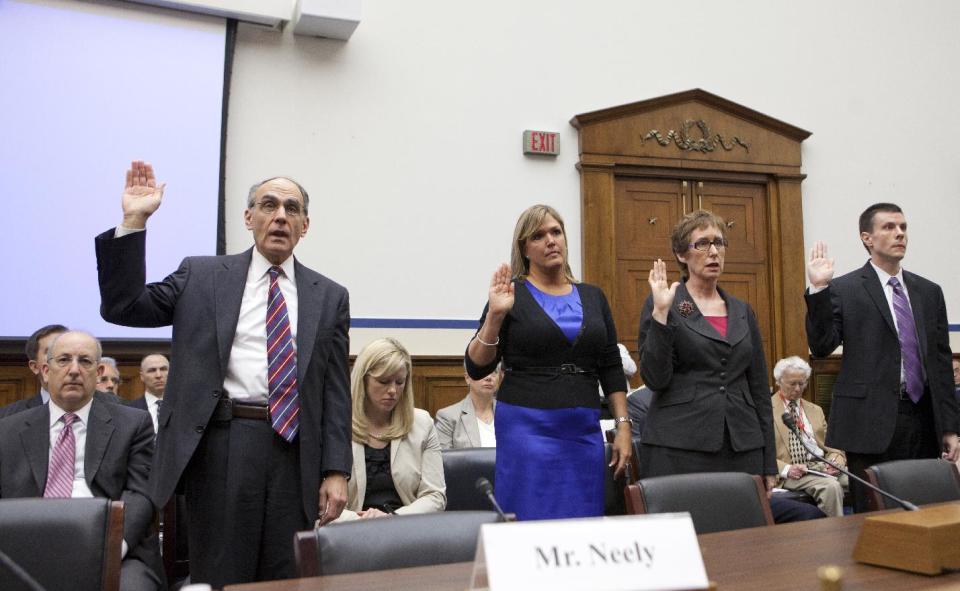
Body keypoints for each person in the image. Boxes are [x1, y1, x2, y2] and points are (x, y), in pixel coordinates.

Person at [95, 161, 352, 587]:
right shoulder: (202, 276)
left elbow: (335, 391)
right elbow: (124, 307)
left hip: (295, 452)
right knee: (222, 574)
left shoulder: (329, 295)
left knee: (286, 576)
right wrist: (134, 222)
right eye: (268, 205)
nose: (280, 216)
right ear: (249, 218)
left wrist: (336, 470)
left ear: (305, 225)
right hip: (221, 443)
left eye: (292, 208)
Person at [465, 204, 631, 521]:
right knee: (530, 517)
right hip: (527, 428)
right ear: (524, 249)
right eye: (538, 236)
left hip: (583, 428)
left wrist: (623, 426)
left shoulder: (594, 296)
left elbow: (610, 365)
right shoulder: (511, 294)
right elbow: (477, 367)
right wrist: (495, 318)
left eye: (556, 232)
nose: (550, 240)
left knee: (582, 518)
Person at [805, 202, 959, 512]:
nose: (899, 233)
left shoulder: (929, 292)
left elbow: (941, 363)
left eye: (903, 227)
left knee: (926, 511)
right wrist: (819, 289)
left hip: (923, 419)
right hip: (869, 423)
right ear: (867, 238)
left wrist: (950, 427)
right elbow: (821, 346)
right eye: (889, 227)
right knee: (875, 517)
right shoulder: (845, 289)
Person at [0, 331, 162, 590]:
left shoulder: (133, 424)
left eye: (85, 361)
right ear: (44, 370)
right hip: (27, 546)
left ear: (98, 373)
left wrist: (111, 547)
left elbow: (140, 493)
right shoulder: (7, 430)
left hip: (113, 548)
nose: (74, 370)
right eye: (63, 360)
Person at [638, 210, 777, 492]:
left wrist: (769, 460)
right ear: (681, 254)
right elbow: (655, 379)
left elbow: (760, 389)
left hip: (742, 444)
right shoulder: (666, 303)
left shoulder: (741, 310)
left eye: (719, 243)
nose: (714, 251)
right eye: (702, 243)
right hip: (679, 444)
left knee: (744, 532)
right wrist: (661, 316)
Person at [335, 338, 445, 520]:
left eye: (400, 382)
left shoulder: (422, 423)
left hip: (404, 530)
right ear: (363, 380)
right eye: (384, 381)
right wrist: (361, 521)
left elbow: (435, 497)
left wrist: (390, 518)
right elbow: (320, 502)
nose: (393, 390)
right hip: (349, 532)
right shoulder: (336, 424)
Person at [771, 356, 847, 517]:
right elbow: (760, 453)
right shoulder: (765, 410)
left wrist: (836, 460)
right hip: (793, 472)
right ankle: (833, 538)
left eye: (802, 383)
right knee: (830, 487)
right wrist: (786, 469)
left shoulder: (815, 410)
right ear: (779, 381)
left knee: (865, 480)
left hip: (821, 467)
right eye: (793, 383)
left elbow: (833, 445)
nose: (798, 389)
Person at [0, 324, 120, 419]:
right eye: (62, 357)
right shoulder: (8, 418)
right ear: (36, 367)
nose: (73, 368)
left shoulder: (120, 410)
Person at [434, 365, 501, 449]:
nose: (488, 377)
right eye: (482, 371)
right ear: (467, 378)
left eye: (494, 372)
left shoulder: (511, 414)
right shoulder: (448, 417)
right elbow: (444, 459)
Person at [126, 354, 169, 435]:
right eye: (152, 370)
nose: (158, 375)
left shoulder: (182, 408)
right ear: (142, 376)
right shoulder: (129, 409)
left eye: (163, 369)